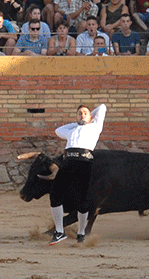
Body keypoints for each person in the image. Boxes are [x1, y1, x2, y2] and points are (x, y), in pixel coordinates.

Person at [48, 103, 107, 245]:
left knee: (82, 200)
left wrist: (89, 117)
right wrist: (78, 122)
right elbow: (58, 130)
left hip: (84, 163)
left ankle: (81, 232)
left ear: (91, 116)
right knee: (55, 195)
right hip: (68, 162)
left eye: (85, 113)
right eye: (79, 113)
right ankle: (59, 232)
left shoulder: (95, 127)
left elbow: (103, 107)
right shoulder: (71, 130)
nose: (82, 115)